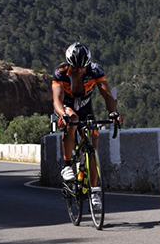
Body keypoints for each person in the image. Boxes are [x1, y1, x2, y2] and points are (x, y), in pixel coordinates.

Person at [52, 41, 122, 210]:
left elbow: (107, 95)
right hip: (66, 106)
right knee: (73, 119)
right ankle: (67, 165)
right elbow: (57, 100)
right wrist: (62, 115)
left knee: (94, 141)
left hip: (85, 106)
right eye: (75, 68)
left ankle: (94, 190)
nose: (79, 71)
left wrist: (113, 113)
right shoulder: (61, 73)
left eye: (82, 67)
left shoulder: (94, 70)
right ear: (69, 64)